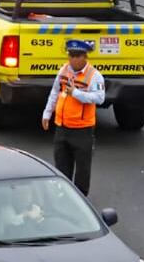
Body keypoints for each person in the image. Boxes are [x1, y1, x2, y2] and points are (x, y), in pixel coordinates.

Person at [41, 39, 106, 195]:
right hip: (62, 127)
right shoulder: (64, 70)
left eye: (78, 56)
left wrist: (76, 94)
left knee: (82, 170)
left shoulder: (94, 76)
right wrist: (47, 113)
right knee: (62, 166)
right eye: (71, 55)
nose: (74, 59)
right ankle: (63, 195)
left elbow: (99, 98)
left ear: (85, 57)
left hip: (82, 130)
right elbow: (55, 92)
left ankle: (81, 198)